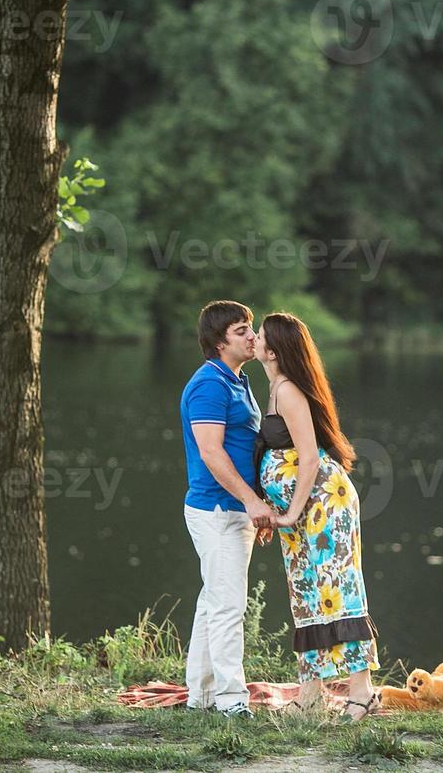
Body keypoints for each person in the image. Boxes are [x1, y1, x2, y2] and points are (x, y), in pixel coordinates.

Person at [252, 311, 381, 722]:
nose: (253, 339)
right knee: (307, 594)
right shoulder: (274, 387)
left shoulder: (288, 390)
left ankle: (363, 694)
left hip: (323, 503)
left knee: (337, 589)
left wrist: (289, 512)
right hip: (300, 511)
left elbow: (309, 457)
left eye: (259, 336)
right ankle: (310, 695)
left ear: (273, 350)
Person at [178, 300, 275, 718]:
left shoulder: (237, 380)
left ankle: (199, 697)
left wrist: (259, 501)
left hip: (238, 509)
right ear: (219, 342)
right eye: (242, 331)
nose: (252, 336)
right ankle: (232, 701)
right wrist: (251, 500)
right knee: (228, 605)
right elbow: (212, 453)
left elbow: (244, 449)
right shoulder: (209, 385)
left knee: (213, 601)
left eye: (251, 328)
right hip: (216, 510)